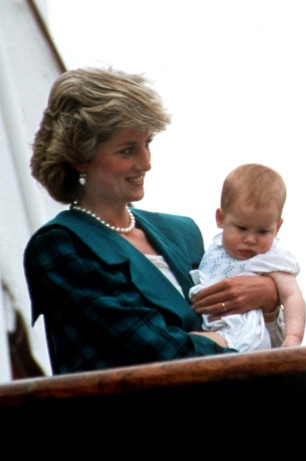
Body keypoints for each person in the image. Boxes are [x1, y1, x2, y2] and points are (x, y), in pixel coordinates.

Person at [24, 68, 282, 374]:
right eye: (128, 149)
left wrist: (269, 297)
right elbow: (152, 353)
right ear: (80, 157)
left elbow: (267, 338)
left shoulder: (182, 233)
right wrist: (232, 342)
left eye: (147, 143)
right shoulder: (60, 245)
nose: (146, 162)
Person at [189, 163, 306, 350]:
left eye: (262, 231)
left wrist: (293, 337)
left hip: (246, 336)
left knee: (189, 344)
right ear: (220, 218)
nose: (251, 240)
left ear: (277, 227)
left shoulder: (270, 258)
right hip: (213, 325)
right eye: (242, 228)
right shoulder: (215, 249)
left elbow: (292, 295)